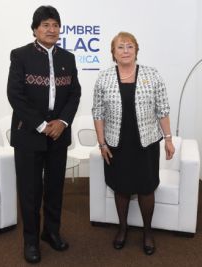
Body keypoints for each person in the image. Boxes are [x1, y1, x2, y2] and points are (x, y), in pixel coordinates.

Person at [7, 5, 81, 263]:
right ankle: (30, 241)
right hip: (29, 133)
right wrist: (41, 124)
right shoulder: (20, 56)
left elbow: (74, 94)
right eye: (46, 25)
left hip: (59, 133)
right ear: (35, 29)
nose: (51, 29)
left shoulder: (68, 58)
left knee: (55, 187)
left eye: (55, 25)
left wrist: (62, 121)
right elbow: (15, 95)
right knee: (30, 190)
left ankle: (51, 232)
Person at [92, 32, 175, 255]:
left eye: (130, 46)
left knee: (146, 189)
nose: (126, 51)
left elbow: (163, 109)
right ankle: (122, 229)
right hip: (117, 144)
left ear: (136, 50)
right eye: (120, 47)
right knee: (121, 188)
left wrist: (168, 139)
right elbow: (98, 112)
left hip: (145, 144)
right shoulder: (104, 78)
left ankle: (148, 232)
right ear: (113, 53)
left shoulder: (152, 75)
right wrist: (102, 143)